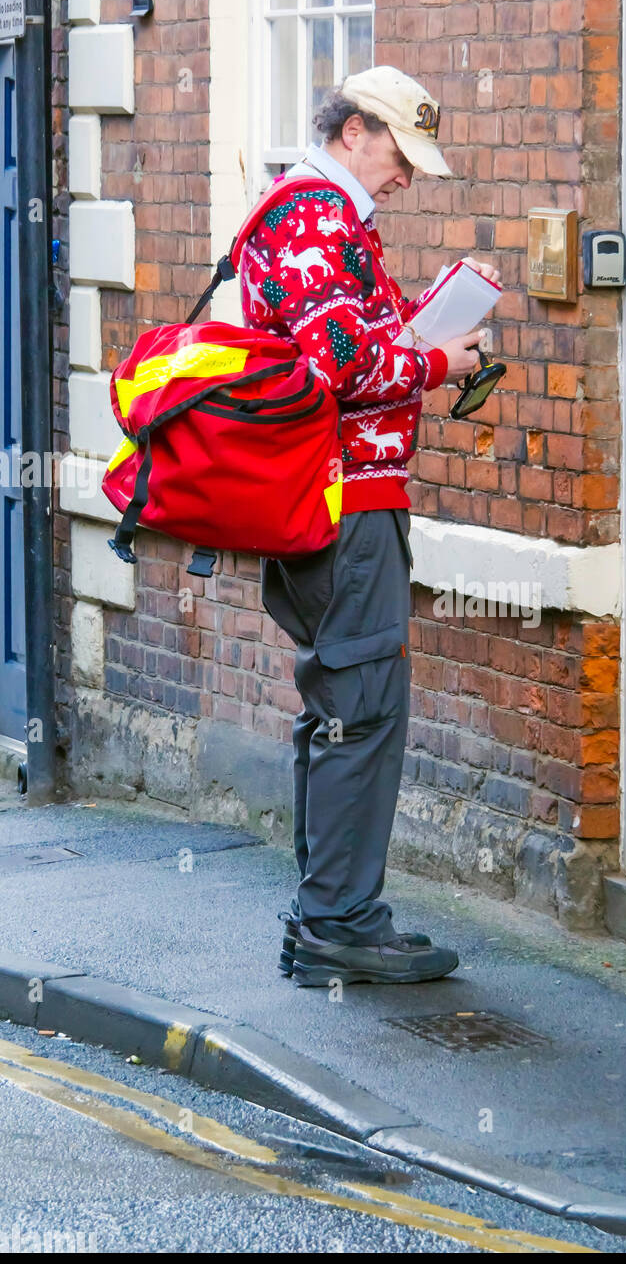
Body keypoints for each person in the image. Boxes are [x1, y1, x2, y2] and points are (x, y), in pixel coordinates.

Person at [238, 65, 500, 987]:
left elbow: (347, 342)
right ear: (353, 130)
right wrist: (436, 355)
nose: (408, 176)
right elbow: (342, 363)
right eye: (400, 153)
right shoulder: (312, 216)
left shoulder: (324, 217)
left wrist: (427, 339)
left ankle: (330, 913)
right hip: (346, 507)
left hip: (343, 501)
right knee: (362, 708)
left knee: (343, 707)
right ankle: (340, 922)